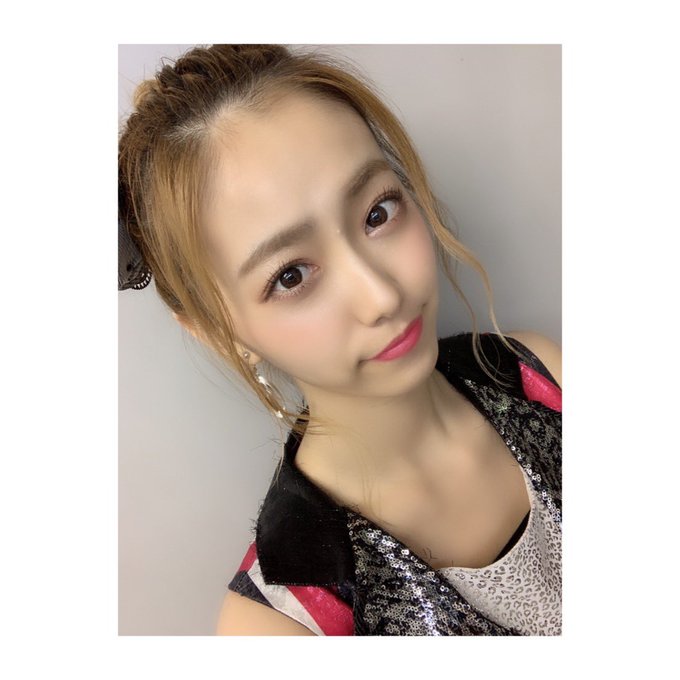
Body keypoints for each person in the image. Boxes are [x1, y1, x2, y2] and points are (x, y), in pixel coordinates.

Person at [118, 44, 562, 636]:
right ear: (215, 329)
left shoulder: (542, 376)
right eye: (291, 276)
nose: (381, 295)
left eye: (377, 213)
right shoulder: (280, 629)